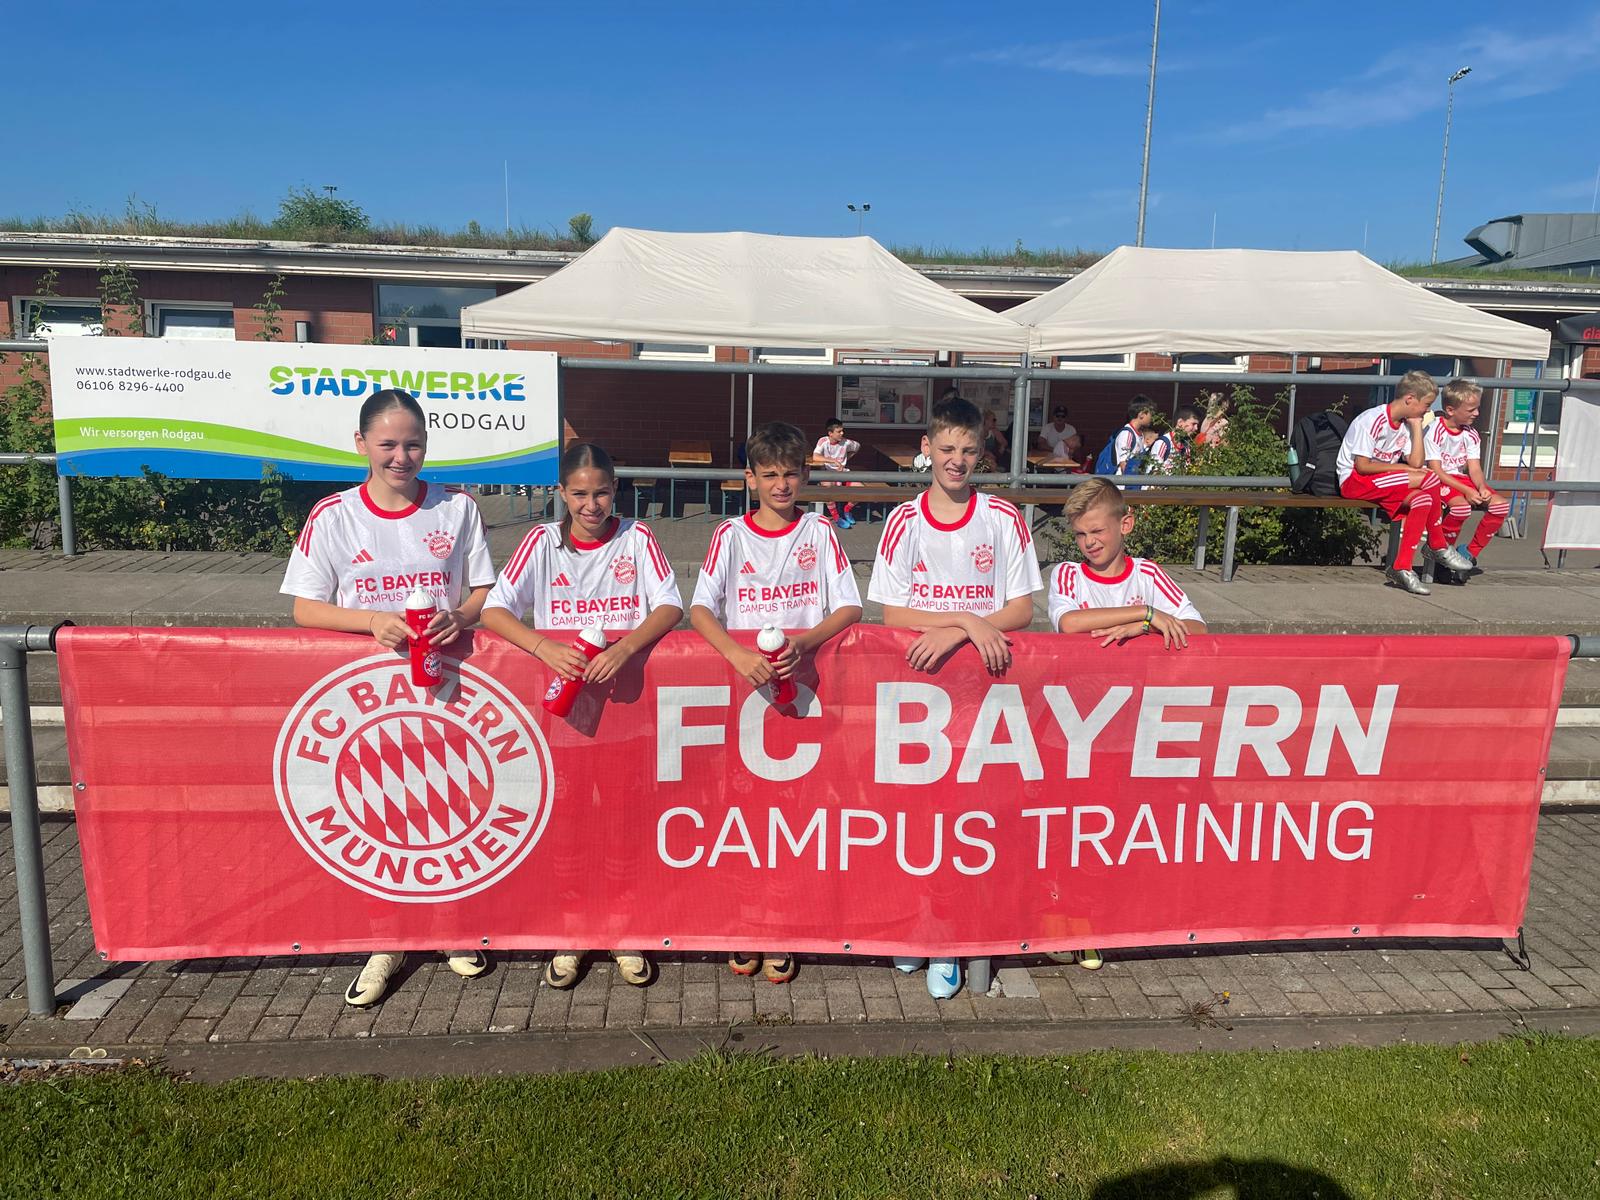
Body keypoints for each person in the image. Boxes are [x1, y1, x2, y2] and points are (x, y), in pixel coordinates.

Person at [280, 388, 498, 1008]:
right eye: (388, 444)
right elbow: (304, 608)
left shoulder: (457, 508)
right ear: (361, 444)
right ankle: (387, 940)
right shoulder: (333, 515)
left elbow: (485, 589)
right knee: (380, 814)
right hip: (368, 699)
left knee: (454, 806)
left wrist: (461, 615)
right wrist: (371, 621)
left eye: (414, 445)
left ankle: (451, 925)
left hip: (448, 687)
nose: (402, 457)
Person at [480, 442, 683, 990]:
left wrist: (626, 647)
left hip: (627, 715)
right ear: (561, 493)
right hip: (563, 719)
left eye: (601, 494)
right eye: (579, 494)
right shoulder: (541, 542)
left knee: (621, 824)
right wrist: (543, 646)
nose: (591, 506)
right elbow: (495, 609)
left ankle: (622, 927)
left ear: (615, 491)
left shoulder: (637, 538)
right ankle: (572, 930)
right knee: (568, 827)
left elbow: (670, 604)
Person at [868, 395, 1042, 998]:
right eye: (946, 449)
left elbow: (1021, 608)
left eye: (968, 450)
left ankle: (957, 935)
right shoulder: (904, 521)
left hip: (986, 695)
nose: (957, 460)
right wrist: (966, 622)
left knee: (974, 820)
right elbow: (892, 614)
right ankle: (919, 926)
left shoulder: (1003, 518)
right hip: (918, 695)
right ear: (927, 448)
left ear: (981, 451)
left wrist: (963, 628)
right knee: (919, 818)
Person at [690, 422, 863, 985]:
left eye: (790, 474)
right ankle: (748, 920)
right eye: (769, 475)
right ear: (751, 479)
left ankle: (785, 924)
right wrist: (737, 656)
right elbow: (700, 609)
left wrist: (805, 642)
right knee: (741, 817)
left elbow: (850, 608)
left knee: (797, 817)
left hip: (805, 696)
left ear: (806, 475)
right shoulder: (730, 535)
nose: (781, 485)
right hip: (745, 700)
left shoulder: (820, 531)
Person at [1046, 477, 1207, 972]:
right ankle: (1073, 920)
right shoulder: (1067, 575)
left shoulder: (1149, 574)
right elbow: (1070, 624)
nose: (1089, 542)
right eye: (1080, 534)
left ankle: (1102, 917)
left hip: (1132, 728)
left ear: (1126, 524)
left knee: (1119, 826)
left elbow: (1198, 628)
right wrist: (1147, 615)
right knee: (1074, 828)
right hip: (1074, 727)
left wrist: (1141, 627)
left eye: (1098, 531)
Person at [1336, 371, 1473, 596]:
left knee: (1423, 499)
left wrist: (1417, 427)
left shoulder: (1405, 425)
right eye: (1426, 405)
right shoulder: (1373, 419)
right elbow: (1362, 466)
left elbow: (1416, 462)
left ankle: (1401, 567)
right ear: (1410, 399)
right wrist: (1405, 469)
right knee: (1430, 477)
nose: (1428, 410)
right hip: (1355, 480)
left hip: (1382, 481)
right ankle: (1437, 544)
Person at [1422, 379, 1510, 579]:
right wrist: (1468, 491)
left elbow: (1475, 468)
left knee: (1500, 506)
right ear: (1450, 410)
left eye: (1477, 408)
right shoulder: (1435, 430)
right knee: (1461, 508)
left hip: (1461, 480)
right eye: (1471, 409)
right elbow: (1436, 470)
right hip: (1439, 479)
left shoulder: (1471, 434)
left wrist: (1481, 486)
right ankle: (1442, 552)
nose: (1476, 413)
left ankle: (1468, 554)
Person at [813, 419, 862, 528]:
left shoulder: (846, 442)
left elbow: (857, 446)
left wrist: (847, 457)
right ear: (830, 433)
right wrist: (832, 461)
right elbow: (815, 456)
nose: (842, 433)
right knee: (827, 487)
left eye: (842, 431)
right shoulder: (823, 441)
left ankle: (847, 510)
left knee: (861, 489)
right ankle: (836, 517)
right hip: (828, 474)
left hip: (843, 474)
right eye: (839, 431)